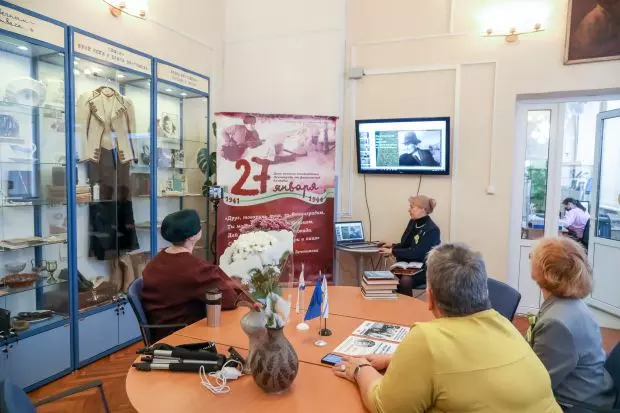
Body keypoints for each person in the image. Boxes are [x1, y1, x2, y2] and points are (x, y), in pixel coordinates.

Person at [332, 243, 562, 413]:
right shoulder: (503, 324)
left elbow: (386, 407)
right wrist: (395, 359)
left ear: (430, 298)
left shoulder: (426, 338)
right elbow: (465, 359)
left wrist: (361, 369)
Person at [530, 237, 617, 411]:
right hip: (594, 387)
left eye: (533, 257)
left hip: (576, 404)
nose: (530, 258)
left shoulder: (556, 323)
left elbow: (537, 384)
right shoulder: (572, 304)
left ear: (547, 271)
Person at [141, 209, 247, 341]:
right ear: (193, 236)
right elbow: (230, 300)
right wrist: (232, 285)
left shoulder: (155, 261)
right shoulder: (196, 269)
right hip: (185, 336)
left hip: (162, 333)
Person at [379, 195, 440, 296]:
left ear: (423, 209)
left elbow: (418, 253)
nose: (409, 210)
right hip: (408, 266)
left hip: (424, 269)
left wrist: (392, 251)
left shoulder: (432, 230)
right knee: (393, 277)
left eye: (412, 207)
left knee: (405, 280)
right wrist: (392, 246)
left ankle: (405, 304)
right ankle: (401, 302)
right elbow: (406, 245)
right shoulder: (412, 223)